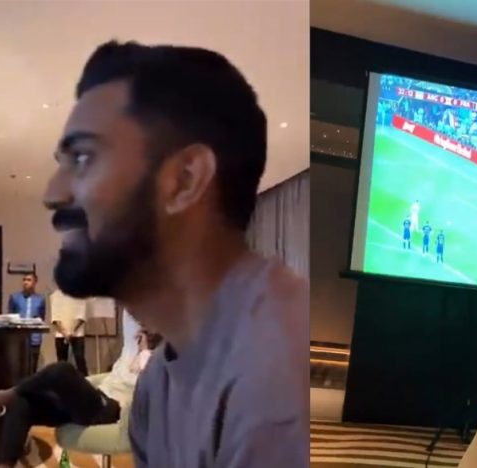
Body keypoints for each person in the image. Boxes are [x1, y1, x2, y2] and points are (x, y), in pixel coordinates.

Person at [43, 41, 308, 467]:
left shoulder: (272, 374)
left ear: (184, 181)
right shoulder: (159, 381)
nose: (53, 193)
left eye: (85, 159)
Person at [0, 310, 155, 468]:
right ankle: (6, 464)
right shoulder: (131, 343)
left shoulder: (154, 357)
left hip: (112, 411)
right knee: (23, 402)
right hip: (95, 398)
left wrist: (146, 351)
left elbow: (150, 384)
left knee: (63, 370)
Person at [8, 273, 46, 372]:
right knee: (18, 366)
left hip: (35, 337)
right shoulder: (14, 297)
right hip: (19, 338)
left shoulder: (40, 299)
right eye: (24, 280)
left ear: (35, 282)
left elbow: (42, 318)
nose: (25, 282)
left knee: (33, 366)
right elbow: (11, 316)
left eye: (29, 280)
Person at [49, 289, 88, 375]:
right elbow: (55, 317)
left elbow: (82, 315)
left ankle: (84, 381)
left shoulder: (81, 293)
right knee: (61, 362)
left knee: (80, 359)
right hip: (60, 334)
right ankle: (62, 381)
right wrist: (64, 332)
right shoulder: (56, 295)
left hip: (77, 333)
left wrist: (72, 331)